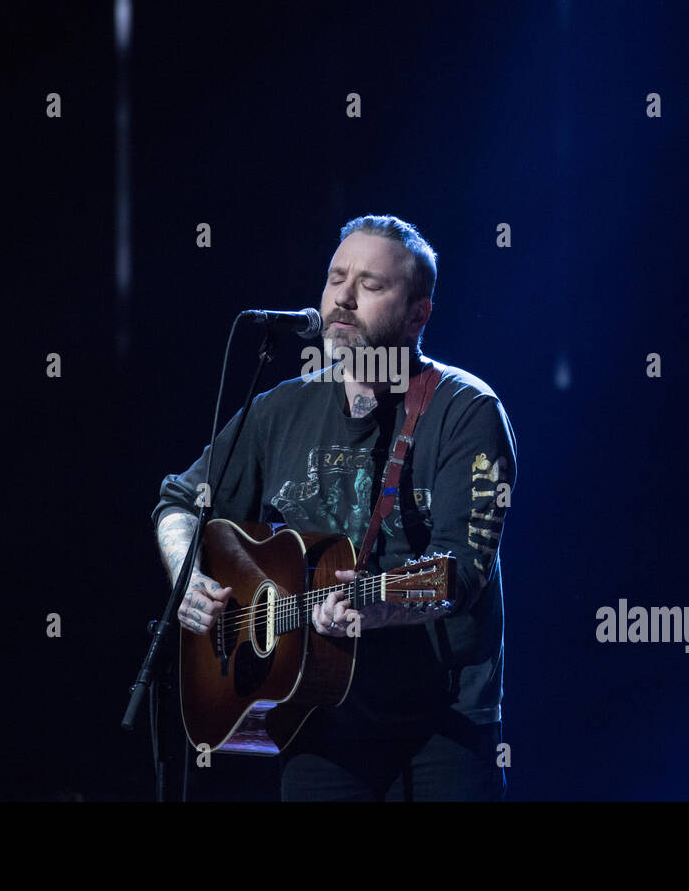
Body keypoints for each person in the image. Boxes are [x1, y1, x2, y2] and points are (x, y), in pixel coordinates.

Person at [151, 214, 516, 801]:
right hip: (314, 720)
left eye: (370, 285)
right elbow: (179, 500)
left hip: (442, 727)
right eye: (335, 278)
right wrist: (189, 578)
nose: (342, 299)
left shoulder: (465, 411)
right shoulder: (281, 410)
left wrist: (372, 610)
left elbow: (460, 574)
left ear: (419, 312)